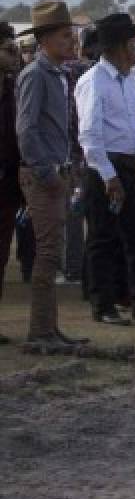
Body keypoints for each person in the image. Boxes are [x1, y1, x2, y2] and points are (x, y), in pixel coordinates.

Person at [75, 13, 135, 326]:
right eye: (133, 42)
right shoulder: (93, 81)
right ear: (119, 46)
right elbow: (90, 135)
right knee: (103, 239)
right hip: (105, 166)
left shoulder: (129, 82)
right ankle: (103, 304)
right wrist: (109, 176)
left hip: (128, 165)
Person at [14, 0, 89, 348]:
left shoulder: (58, 73)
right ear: (44, 39)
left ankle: (50, 329)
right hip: (43, 175)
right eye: (64, 35)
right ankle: (40, 332)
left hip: (57, 171)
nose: (71, 41)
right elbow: (27, 129)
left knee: (52, 253)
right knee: (47, 254)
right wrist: (47, 172)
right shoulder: (35, 75)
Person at [0, 25, 22, 314]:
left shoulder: (13, 89)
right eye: (8, 50)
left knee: (2, 254)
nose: (16, 56)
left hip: (7, 184)